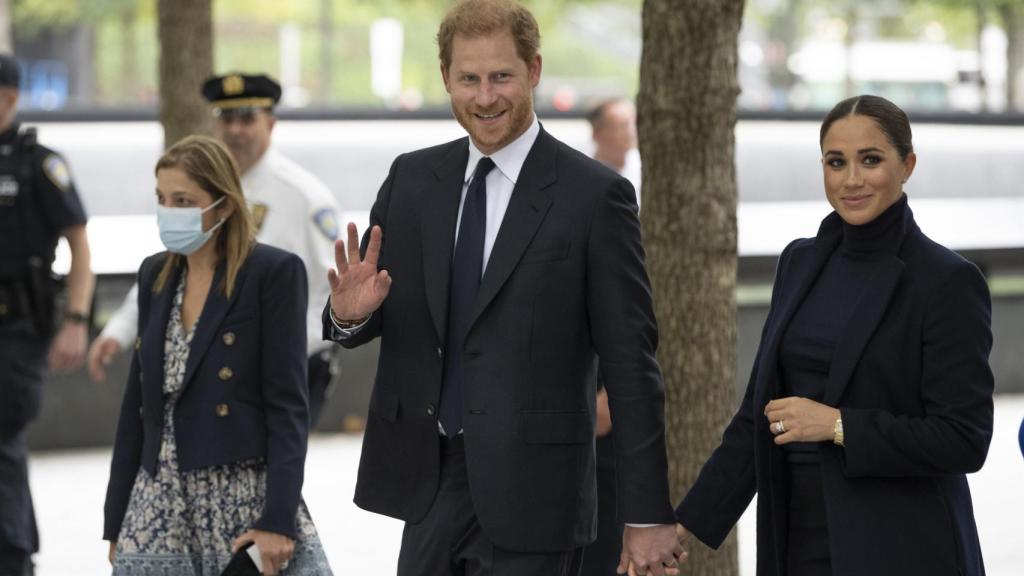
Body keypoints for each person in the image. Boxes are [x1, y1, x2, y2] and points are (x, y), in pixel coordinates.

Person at [323, 1, 682, 575]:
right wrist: (349, 316)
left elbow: (632, 365)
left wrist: (646, 514)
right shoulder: (412, 181)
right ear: (446, 79)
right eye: (468, 79)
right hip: (426, 483)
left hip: (537, 491)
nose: (485, 97)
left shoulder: (595, 197)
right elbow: (369, 306)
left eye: (501, 77)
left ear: (533, 70)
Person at [673, 95, 994, 576]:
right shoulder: (799, 262)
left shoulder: (946, 281)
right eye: (835, 162)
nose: (851, 179)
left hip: (902, 545)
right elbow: (757, 417)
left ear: (907, 165)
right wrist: (681, 528)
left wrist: (838, 425)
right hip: (796, 536)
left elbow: (965, 439)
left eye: (871, 160)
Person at [102, 135, 332, 575]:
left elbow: (288, 406)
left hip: (238, 494)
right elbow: (138, 405)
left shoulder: (272, 273)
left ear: (224, 206)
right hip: (157, 500)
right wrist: (116, 521)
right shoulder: (155, 273)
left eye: (183, 200)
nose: (168, 211)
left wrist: (278, 519)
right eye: (162, 198)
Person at [88, 73, 342, 425]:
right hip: (212, 362)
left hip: (282, 368)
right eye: (226, 119)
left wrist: (283, 349)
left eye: (247, 119)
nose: (235, 130)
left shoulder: (304, 198)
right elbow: (174, 270)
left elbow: (332, 295)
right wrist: (120, 329)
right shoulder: (199, 191)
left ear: (271, 123)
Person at [0, 52, 94, 576]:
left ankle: (14, 558)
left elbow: (79, 244)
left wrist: (76, 321)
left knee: (1, 438)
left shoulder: (38, 162)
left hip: (17, 328)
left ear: (9, 99)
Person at [583, 97, 641, 576]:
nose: (629, 134)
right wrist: (598, 390)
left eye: (632, 125)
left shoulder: (641, 184)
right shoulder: (587, 190)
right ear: (599, 131)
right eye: (620, 125)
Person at [587, 98, 641, 205]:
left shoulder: (642, 167)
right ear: (597, 133)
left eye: (633, 124)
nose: (630, 132)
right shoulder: (584, 173)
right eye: (621, 126)